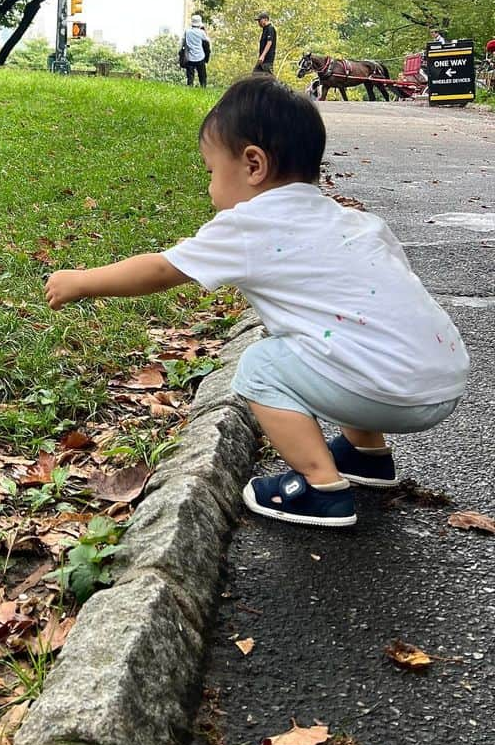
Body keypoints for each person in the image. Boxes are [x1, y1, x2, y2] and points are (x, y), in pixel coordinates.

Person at [44, 75, 469, 529]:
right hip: (442, 379)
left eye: (210, 171)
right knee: (346, 331)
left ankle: (320, 489)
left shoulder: (252, 223)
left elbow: (163, 269)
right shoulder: (355, 222)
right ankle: (367, 456)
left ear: (253, 165)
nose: (209, 189)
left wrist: (82, 281)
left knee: (263, 364)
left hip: (391, 393)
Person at [182, 13, 210, 88]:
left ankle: (190, 86)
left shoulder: (187, 31)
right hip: (200, 56)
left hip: (190, 57)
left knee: (190, 76)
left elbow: (183, 42)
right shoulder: (201, 32)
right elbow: (207, 41)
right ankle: (203, 87)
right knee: (202, 75)